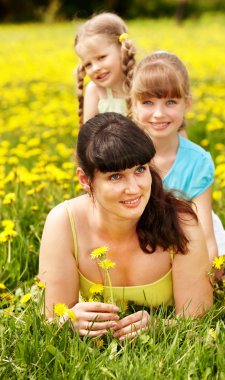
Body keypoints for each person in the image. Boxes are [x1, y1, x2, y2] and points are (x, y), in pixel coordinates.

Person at [39, 112, 213, 340]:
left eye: (140, 170)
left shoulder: (181, 223)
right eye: (115, 177)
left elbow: (200, 318)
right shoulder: (63, 222)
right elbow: (50, 318)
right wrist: (67, 321)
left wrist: (161, 327)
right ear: (84, 179)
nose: (134, 189)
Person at [130, 51, 225, 263]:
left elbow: (206, 237)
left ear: (187, 104)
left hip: (184, 242)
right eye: (147, 102)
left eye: (170, 102)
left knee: (216, 274)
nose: (158, 113)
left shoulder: (197, 161)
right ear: (134, 105)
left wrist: (206, 279)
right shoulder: (125, 155)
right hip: (134, 243)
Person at [74, 12, 136, 126]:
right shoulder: (95, 91)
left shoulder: (143, 82)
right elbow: (88, 137)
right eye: (88, 64)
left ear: (122, 49)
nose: (96, 68)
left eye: (101, 57)